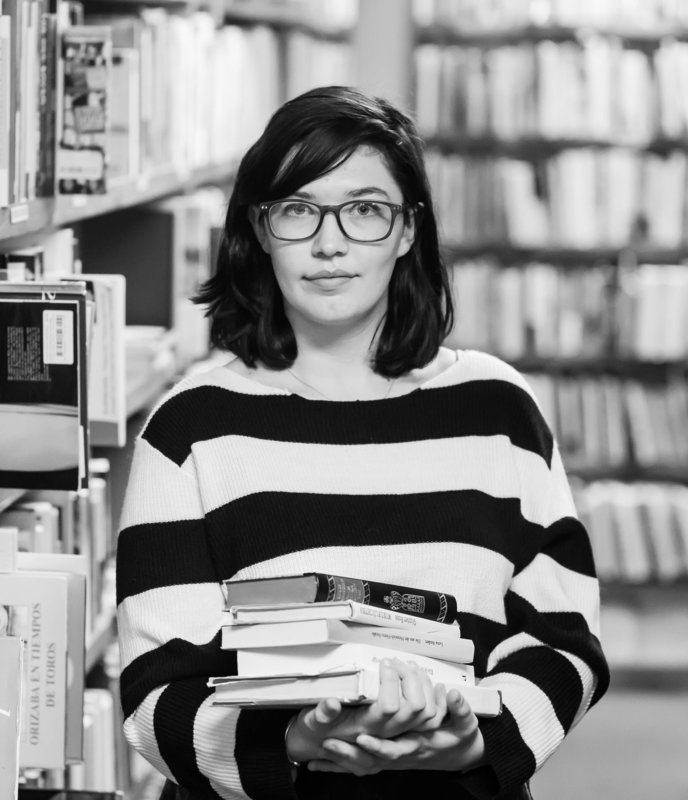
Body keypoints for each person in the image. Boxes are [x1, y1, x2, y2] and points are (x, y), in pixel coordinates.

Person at [114, 85, 609, 800]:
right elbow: (155, 692)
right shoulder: (189, 426)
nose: (330, 242)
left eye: (366, 210)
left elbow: (564, 641)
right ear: (259, 228)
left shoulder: (499, 408)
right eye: (298, 209)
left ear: (408, 230)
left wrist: (471, 741)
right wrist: (295, 741)